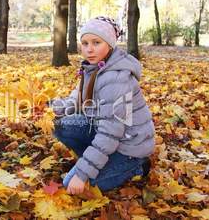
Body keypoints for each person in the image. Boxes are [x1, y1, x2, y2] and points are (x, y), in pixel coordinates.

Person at [51, 16, 155, 194]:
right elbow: (76, 99)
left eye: (96, 42)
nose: (89, 49)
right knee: (62, 125)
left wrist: (82, 174)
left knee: (72, 186)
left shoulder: (116, 79)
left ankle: (136, 167)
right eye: (84, 43)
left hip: (128, 146)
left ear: (110, 44)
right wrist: (54, 107)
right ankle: (96, 160)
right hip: (106, 133)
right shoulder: (94, 68)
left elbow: (110, 133)